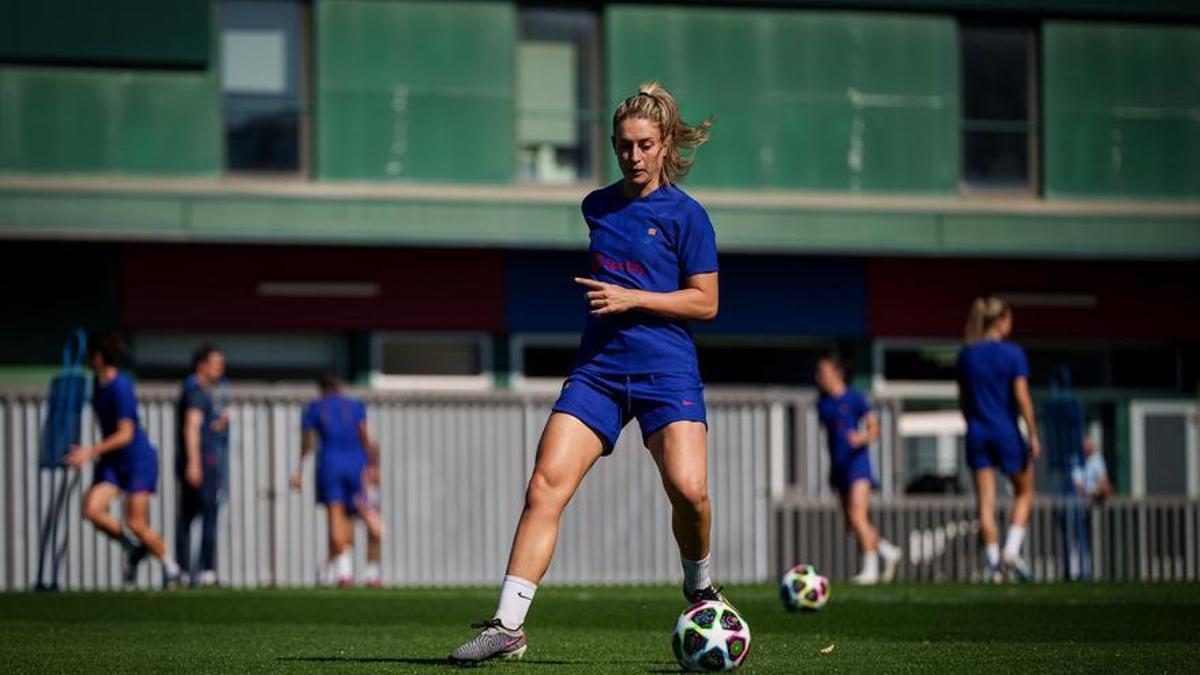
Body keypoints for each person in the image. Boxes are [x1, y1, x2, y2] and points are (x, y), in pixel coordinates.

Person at [450, 82, 720, 664]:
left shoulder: (688, 217)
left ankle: (698, 586)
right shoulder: (596, 205)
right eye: (624, 146)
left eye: (645, 145)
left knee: (690, 491)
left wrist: (633, 299)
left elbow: (705, 303)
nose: (634, 156)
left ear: (666, 143)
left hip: (666, 372)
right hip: (598, 370)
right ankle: (508, 625)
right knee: (544, 484)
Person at [65, 332, 181, 588]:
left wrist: (90, 451)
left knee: (136, 523)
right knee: (92, 510)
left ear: (98, 357)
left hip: (137, 459)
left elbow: (125, 434)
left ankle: (170, 566)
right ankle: (133, 548)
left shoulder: (121, 386)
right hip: (112, 463)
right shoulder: (97, 384)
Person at [957, 297, 1041, 582]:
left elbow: (964, 400)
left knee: (985, 504)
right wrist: (1033, 433)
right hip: (1005, 431)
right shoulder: (1012, 354)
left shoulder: (967, 355)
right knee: (1025, 491)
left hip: (977, 432)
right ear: (1001, 320)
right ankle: (1012, 550)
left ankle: (994, 568)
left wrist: (973, 422)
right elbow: (1022, 397)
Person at [290, 374, 384, 587]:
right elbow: (368, 438)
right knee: (368, 516)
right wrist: (374, 467)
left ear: (321, 389)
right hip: (357, 466)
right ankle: (371, 573)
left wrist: (299, 470)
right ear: (340, 387)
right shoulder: (355, 406)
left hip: (330, 465)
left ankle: (344, 572)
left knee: (336, 517)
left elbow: (308, 442)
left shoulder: (316, 407)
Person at [814, 356, 901, 584]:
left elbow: (874, 427)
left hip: (857, 465)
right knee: (852, 523)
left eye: (823, 372)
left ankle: (871, 568)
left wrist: (861, 438)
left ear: (837, 373)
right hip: (839, 467)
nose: (819, 377)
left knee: (857, 514)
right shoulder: (823, 404)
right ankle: (887, 551)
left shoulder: (855, 398)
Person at [175, 344, 230, 587]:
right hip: (202, 462)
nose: (220, 368)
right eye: (216, 363)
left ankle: (184, 571)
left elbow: (201, 426)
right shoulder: (197, 391)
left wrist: (218, 424)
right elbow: (191, 427)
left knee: (188, 516)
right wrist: (195, 463)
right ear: (202, 365)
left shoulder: (199, 391)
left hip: (196, 460)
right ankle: (205, 571)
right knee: (204, 515)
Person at [1073, 434, 1113, 503]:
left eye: (1090, 444)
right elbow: (1079, 486)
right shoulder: (1077, 460)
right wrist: (1090, 490)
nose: (1088, 446)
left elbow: (1103, 480)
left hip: (1096, 498)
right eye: (1086, 444)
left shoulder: (1098, 459)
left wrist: (1102, 487)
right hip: (1081, 500)